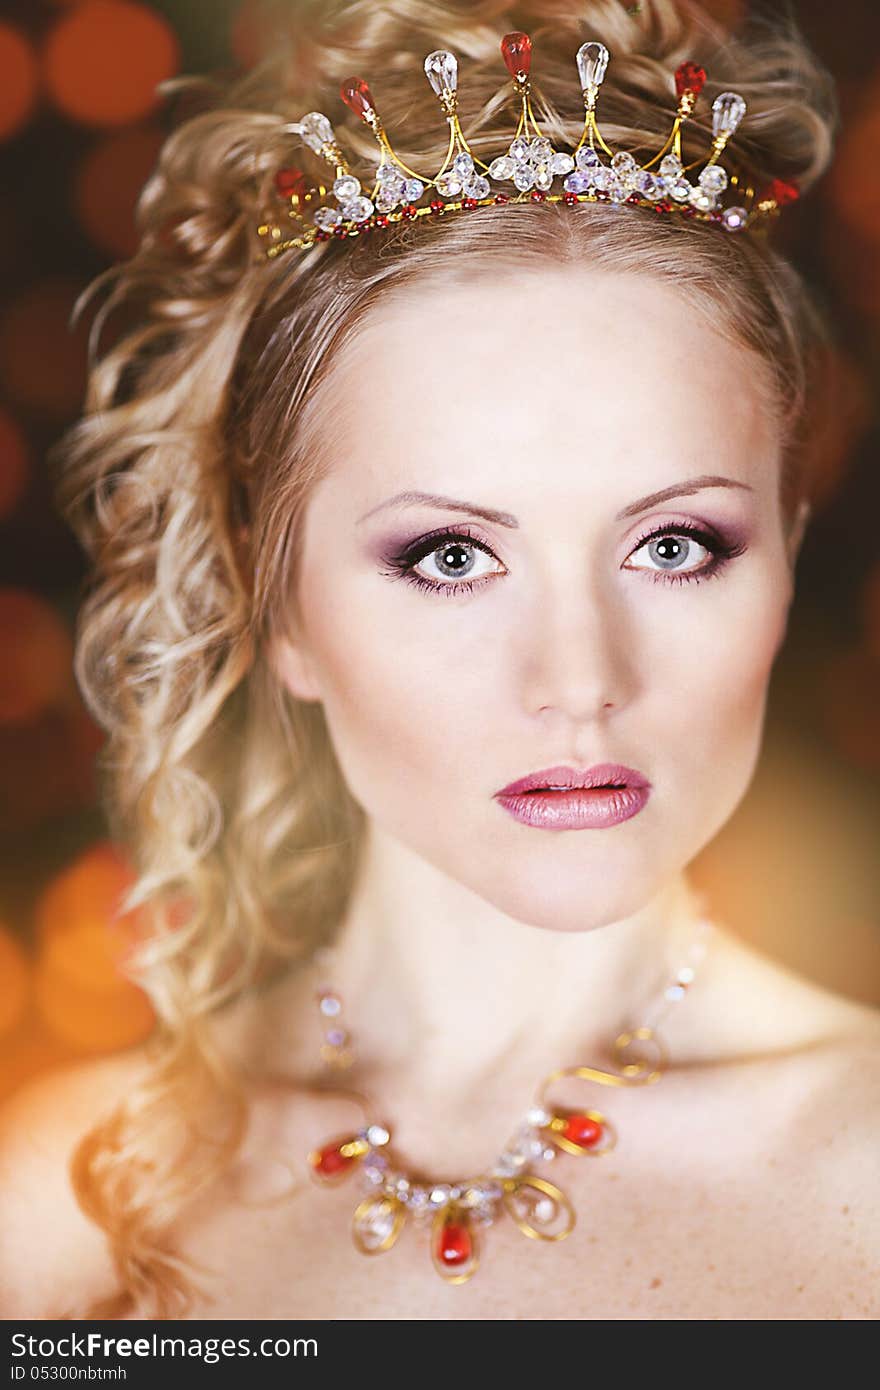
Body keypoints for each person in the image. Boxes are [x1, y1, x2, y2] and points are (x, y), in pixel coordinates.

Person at [1, 0, 877, 1322]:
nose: (580, 676)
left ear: (789, 546)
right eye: (455, 556)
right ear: (277, 600)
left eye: (678, 543)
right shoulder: (60, 1203)